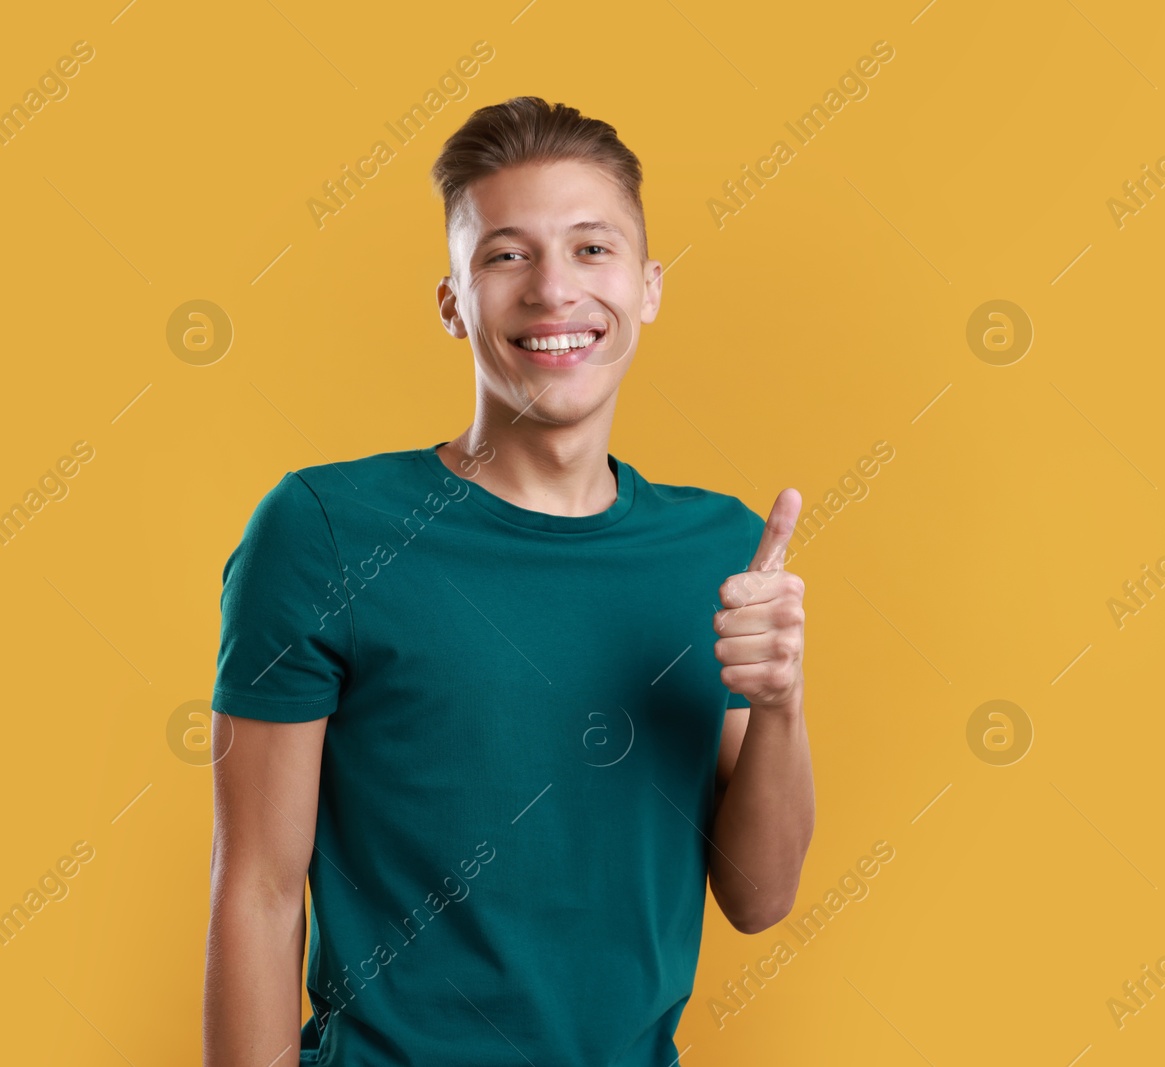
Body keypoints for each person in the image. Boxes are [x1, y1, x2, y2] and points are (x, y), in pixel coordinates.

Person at [202, 95, 815, 1067]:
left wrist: (777, 702)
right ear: (452, 300)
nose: (552, 291)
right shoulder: (322, 531)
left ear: (648, 287)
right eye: (504, 254)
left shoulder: (721, 549)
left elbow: (760, 894)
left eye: (591, 248)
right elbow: (259, 890)